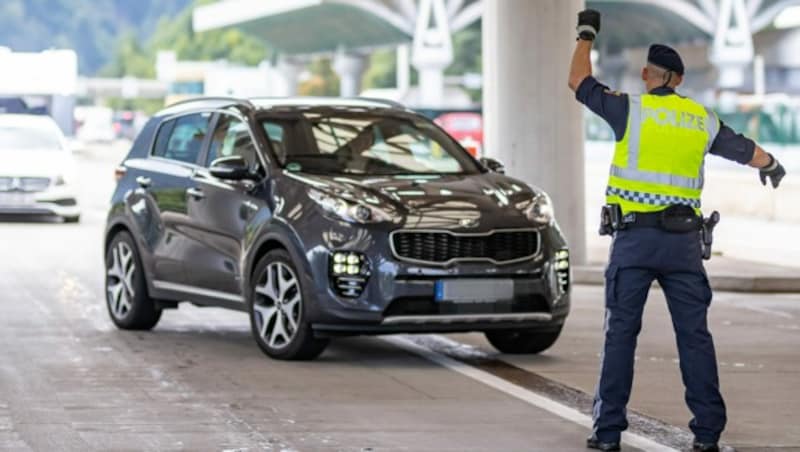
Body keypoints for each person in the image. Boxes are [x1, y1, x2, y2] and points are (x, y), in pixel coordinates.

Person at [568, 9, 786, 452]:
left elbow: (578, 80)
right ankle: (707, 434)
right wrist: (774, 164)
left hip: (634, 242)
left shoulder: (629, 108)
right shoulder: (700, 120)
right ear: (680, 80)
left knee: (620, 337)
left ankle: (607, 433)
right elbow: (745, 150)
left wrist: (586, 34)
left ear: (647, 74)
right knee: (695, 338)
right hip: (684, 246)